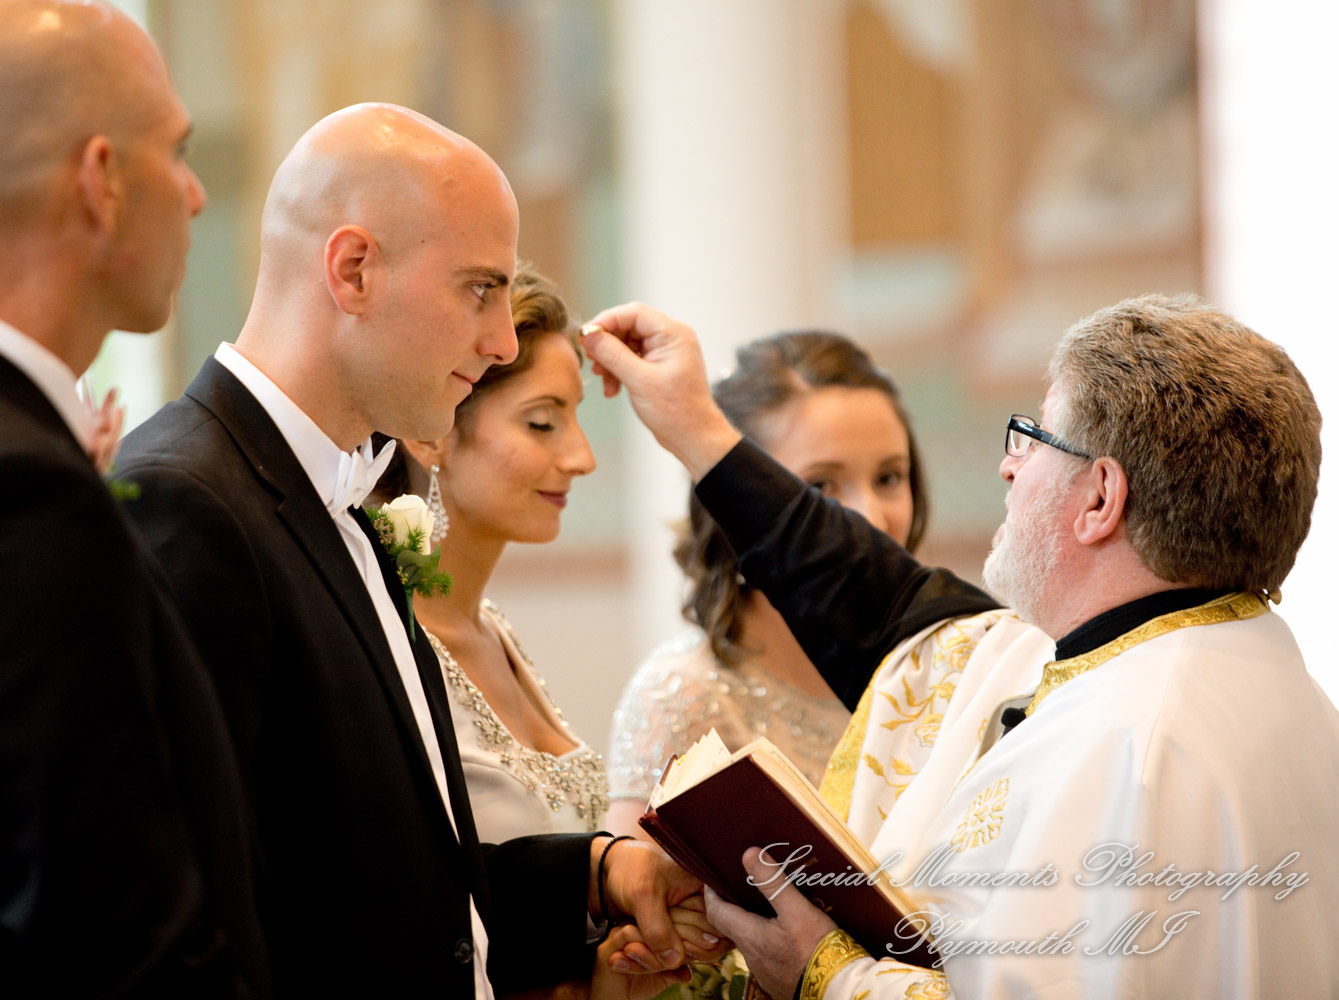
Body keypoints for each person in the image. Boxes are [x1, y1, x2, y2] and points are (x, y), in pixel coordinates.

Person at [581, 296, 1339, 997]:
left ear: (1099, 498)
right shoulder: (1234, 668)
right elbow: (889, 603)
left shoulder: (1127, 742)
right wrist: (698, 429)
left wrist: (825, 972)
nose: (1008, 465)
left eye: (1033, 436)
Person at [114, 105, 704, 998]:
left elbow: (377, 872)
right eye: (479, 289)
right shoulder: (188, 501)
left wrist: (593, 873)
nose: (503, 339)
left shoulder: (351, 498)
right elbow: (203, 913)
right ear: (353, 270)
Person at [0, 1, 267, 995]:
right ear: (102, 182)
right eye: (177, 150)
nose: (199, 194)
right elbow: (122, 954)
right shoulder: (12, 498)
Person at [606, 330, 935, 837]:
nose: (871, 516)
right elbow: (636, 905)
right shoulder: (683, 699)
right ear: (742, 500)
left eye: (889, 478)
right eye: (819, 486)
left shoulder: (935, 672)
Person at [370, 264, 609, 842]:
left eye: (576, 418)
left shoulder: (491, 627)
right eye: (542, 422)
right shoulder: (386, 634)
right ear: (433, 435)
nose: (582, 457)